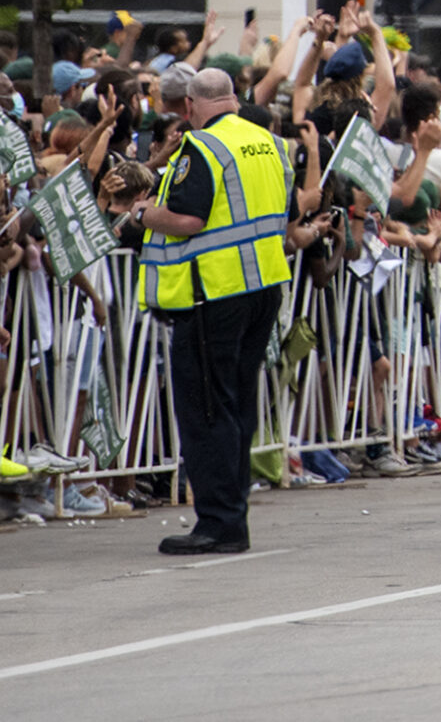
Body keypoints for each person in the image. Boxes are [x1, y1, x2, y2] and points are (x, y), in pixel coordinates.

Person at [129, 66, 294, 555]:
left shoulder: (201, 148)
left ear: (189, 108)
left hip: (215, 292)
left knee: (206, 409)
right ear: (235, 99)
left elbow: (187, 218)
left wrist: (142, 213)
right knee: (237, 404)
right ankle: (231, 517)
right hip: (263, 285)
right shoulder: (267, 141)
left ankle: (218, 523)